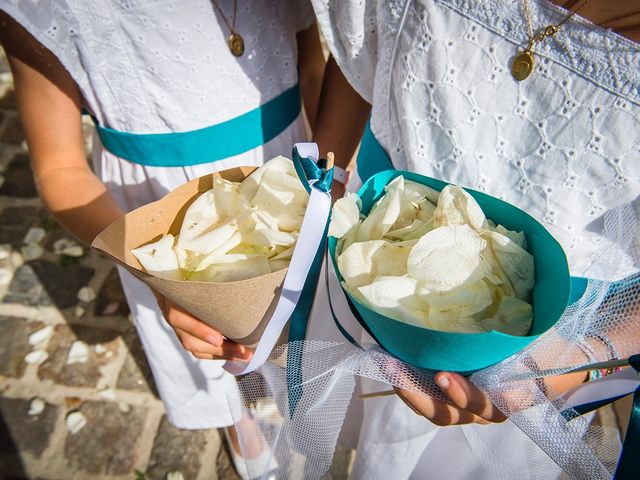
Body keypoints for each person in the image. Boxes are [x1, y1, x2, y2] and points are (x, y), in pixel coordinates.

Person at [304, 0, 640, 478]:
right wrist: (322, 188)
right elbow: (364, 45)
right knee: (357, 416)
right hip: (371, 265)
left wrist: (578, 359)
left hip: (531, 352)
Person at [0, 1, 325, 477]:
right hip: (159, 205)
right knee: (202, 335)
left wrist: (328, 177)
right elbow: (59, 167)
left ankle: (299, 385)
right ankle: (234, 414)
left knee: (299, 308)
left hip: (284, 166)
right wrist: (159, 273)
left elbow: (311, 63)